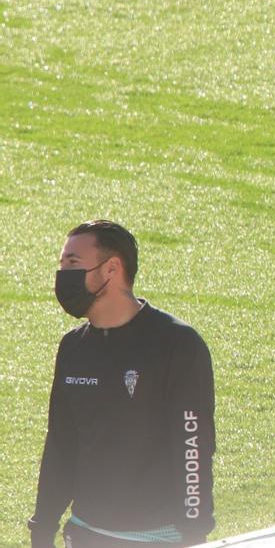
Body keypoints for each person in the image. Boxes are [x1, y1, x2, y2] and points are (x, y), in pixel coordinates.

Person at [29, 220, 215, 547]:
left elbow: (192, 444)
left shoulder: (177, 344)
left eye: (72, 264)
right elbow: (61, 444)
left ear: (112, 268)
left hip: (159, 538)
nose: (62, 277)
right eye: (61, 266)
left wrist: (194, 531)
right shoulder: (72, 348)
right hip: (85, 534)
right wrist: (42, 525)